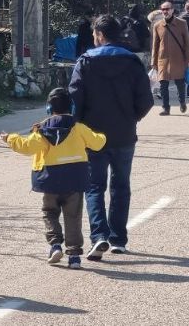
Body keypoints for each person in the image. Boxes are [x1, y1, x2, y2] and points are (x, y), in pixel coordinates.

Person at [69, 15, 154, 260]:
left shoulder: (85, 61)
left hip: (92, 135)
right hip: (124, 133)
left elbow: (75, 98)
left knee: (94, 186)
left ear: (99, 35)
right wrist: (132, 118)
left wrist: (79, 127)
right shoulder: (132, 62)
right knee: (121, 186)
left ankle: (99, 236)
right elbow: (146, 100)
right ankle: (118, 239)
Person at [1, 88, 106, 270]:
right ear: (71, 107)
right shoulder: (78, 128)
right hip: (74, 180)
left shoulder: (42, 130)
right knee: (73, 216)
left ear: (49, 108)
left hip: (50, 180)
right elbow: (97, 143)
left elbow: (26, 147)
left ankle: (55, 245)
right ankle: (74, 256)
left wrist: (10, 138)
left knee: (50, 212)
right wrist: (103, 134)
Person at [151, 1, 189, 116]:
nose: (165, 11)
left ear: (172, 10)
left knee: (180, 83)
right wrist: (153, 61)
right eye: (163, 9)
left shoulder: (182, 23)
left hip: (178, 58)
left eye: (167, 9)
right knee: (163, 85)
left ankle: (182, 102)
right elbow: (155, 45)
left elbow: (187, 43)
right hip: (162, 59)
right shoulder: (157, 25)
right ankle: (166, 108)